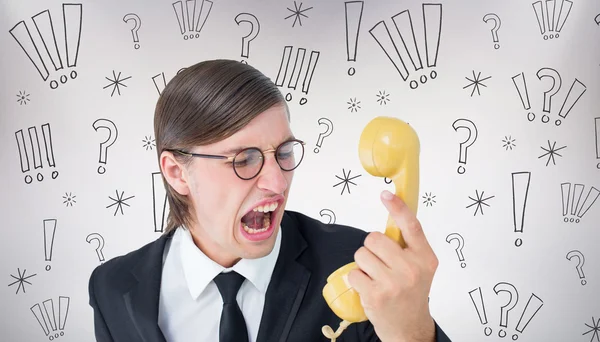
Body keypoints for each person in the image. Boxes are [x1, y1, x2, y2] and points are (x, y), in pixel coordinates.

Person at [88, 59, 452, 342]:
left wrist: (412, 332)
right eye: (244, 158)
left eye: (284, 152)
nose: (277, 181)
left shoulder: (359, 269)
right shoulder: (113, 288)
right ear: (177, 173)